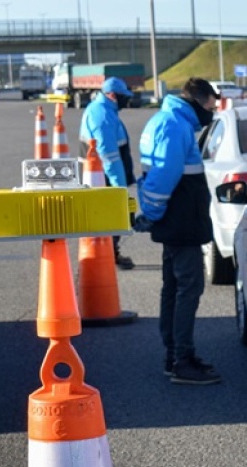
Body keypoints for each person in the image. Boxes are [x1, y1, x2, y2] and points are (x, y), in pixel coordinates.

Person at [135, 77, 221, 386]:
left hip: (176, 224)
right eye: (210, 105)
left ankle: (174, 356)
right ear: (198, 101)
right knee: (188, 289)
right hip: (180, 225)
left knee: (173, 288)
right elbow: (162, 178)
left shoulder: (168, 121)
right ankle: (181, 359)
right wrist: (154, 213)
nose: (212, 112)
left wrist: (153, 215)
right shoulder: (175, 126)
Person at [79, 76, 137, 270]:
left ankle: (110, 252)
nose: (126, 101)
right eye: (123, 97)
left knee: (108, 217)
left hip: (101, 175)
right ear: (113, 95)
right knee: (112, 215)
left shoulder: (104, 110)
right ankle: (107, 254)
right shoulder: (103, 115)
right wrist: (119, 189)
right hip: (104, 177)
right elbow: (109, 156)